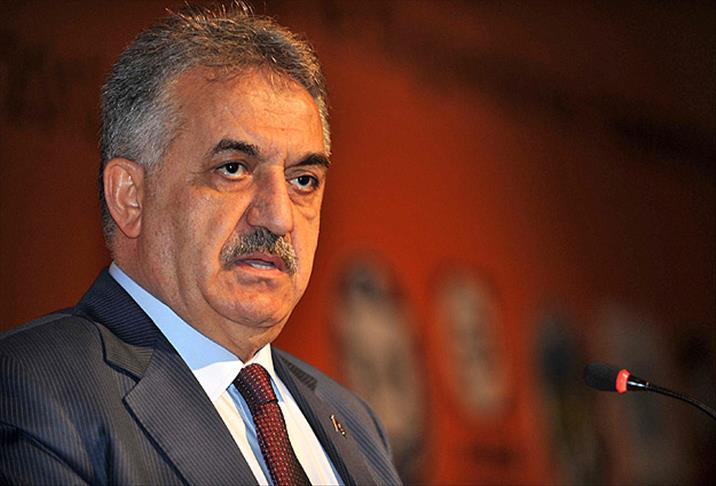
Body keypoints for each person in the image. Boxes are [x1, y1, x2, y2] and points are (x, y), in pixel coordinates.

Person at [0, 5, 402, 485]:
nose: (279, 217)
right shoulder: (30, 388)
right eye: (233, 169)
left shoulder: (356, 422)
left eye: (303, 180)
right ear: (130, 196)